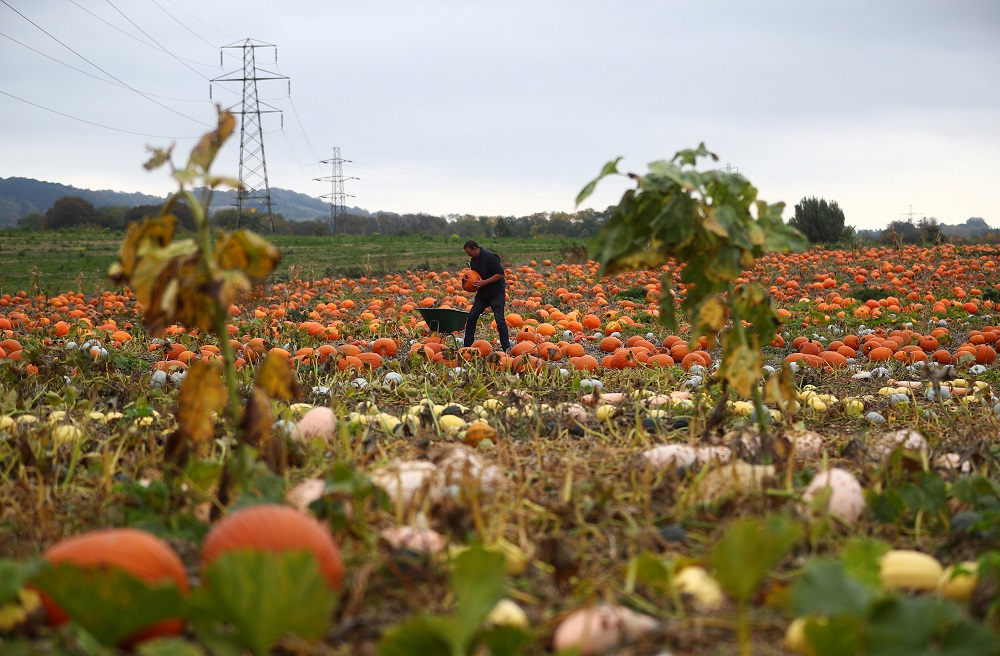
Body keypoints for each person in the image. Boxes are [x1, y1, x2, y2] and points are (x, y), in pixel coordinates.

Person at [462, 240, 511, 353]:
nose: (468, 255)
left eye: (469, 252)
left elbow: (500, 274)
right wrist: (468, 285)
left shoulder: (490, 257)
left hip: (496, 293)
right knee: (472, 317)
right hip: (483, 295)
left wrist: (484, 282)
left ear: (475, 249)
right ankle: (467, 346)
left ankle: (506, 348)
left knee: (500, 321)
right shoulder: (473, 261)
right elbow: (474, 278)